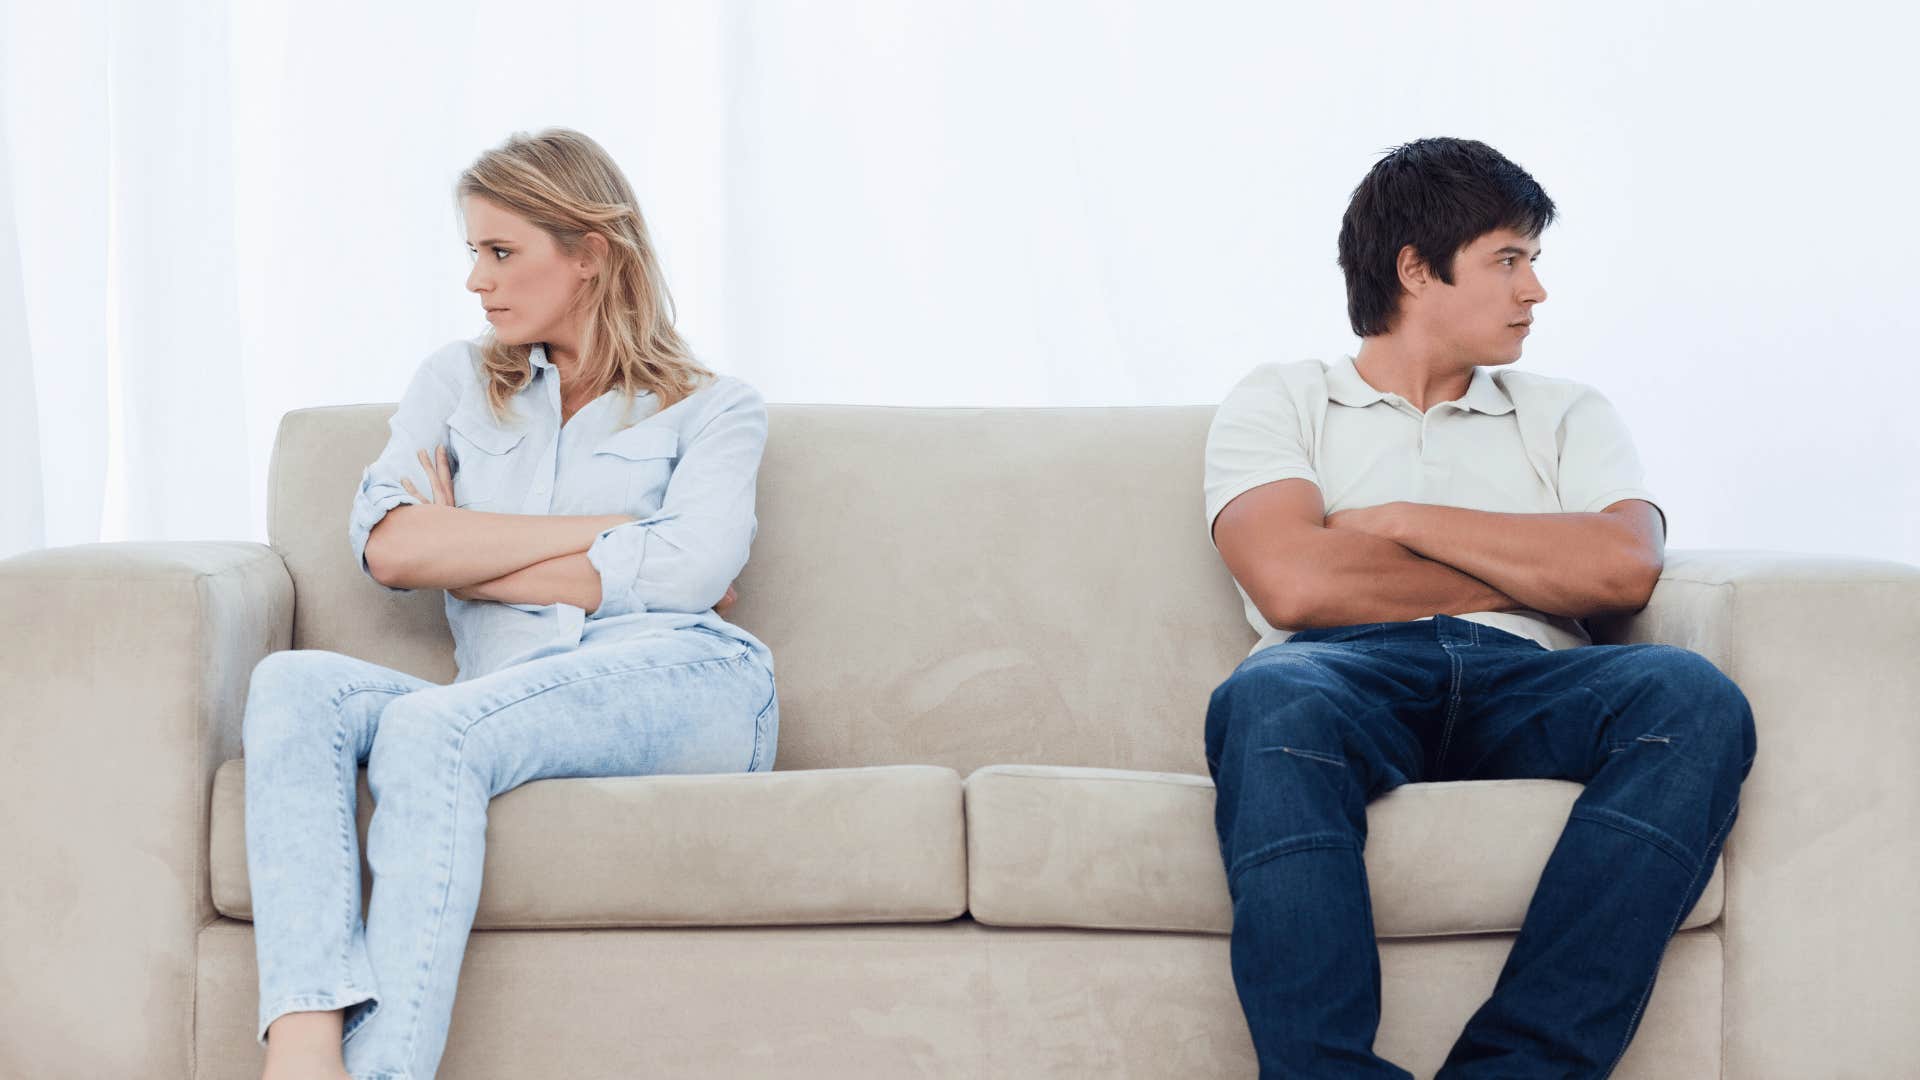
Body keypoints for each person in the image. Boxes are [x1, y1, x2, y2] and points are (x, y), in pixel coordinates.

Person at [1202, 137, 1755, 1078]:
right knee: (1267, 702)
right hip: (1338, 676)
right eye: (1509, 259)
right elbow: (1296, 584)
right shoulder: (1282, 398)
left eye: (1533, 261)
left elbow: (1621, 569)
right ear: (1416, 269)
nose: (1534, 290)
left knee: (1692, 696)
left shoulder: (1566, 410)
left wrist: (1405, 522)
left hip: (1531, 678)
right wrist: (1535, 560)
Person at [242, 128, 776, 1080]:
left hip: (685, 680)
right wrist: (616, 532)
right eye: (472, 253)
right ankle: (306, 1046)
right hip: (502, 692)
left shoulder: (714, 406)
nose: (477, 282)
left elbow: (693, 579)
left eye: (501, 252)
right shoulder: (455, 382)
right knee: (293, 685)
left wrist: (467, 549)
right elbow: (391, 546)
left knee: (432, 732)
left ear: (589, 256)